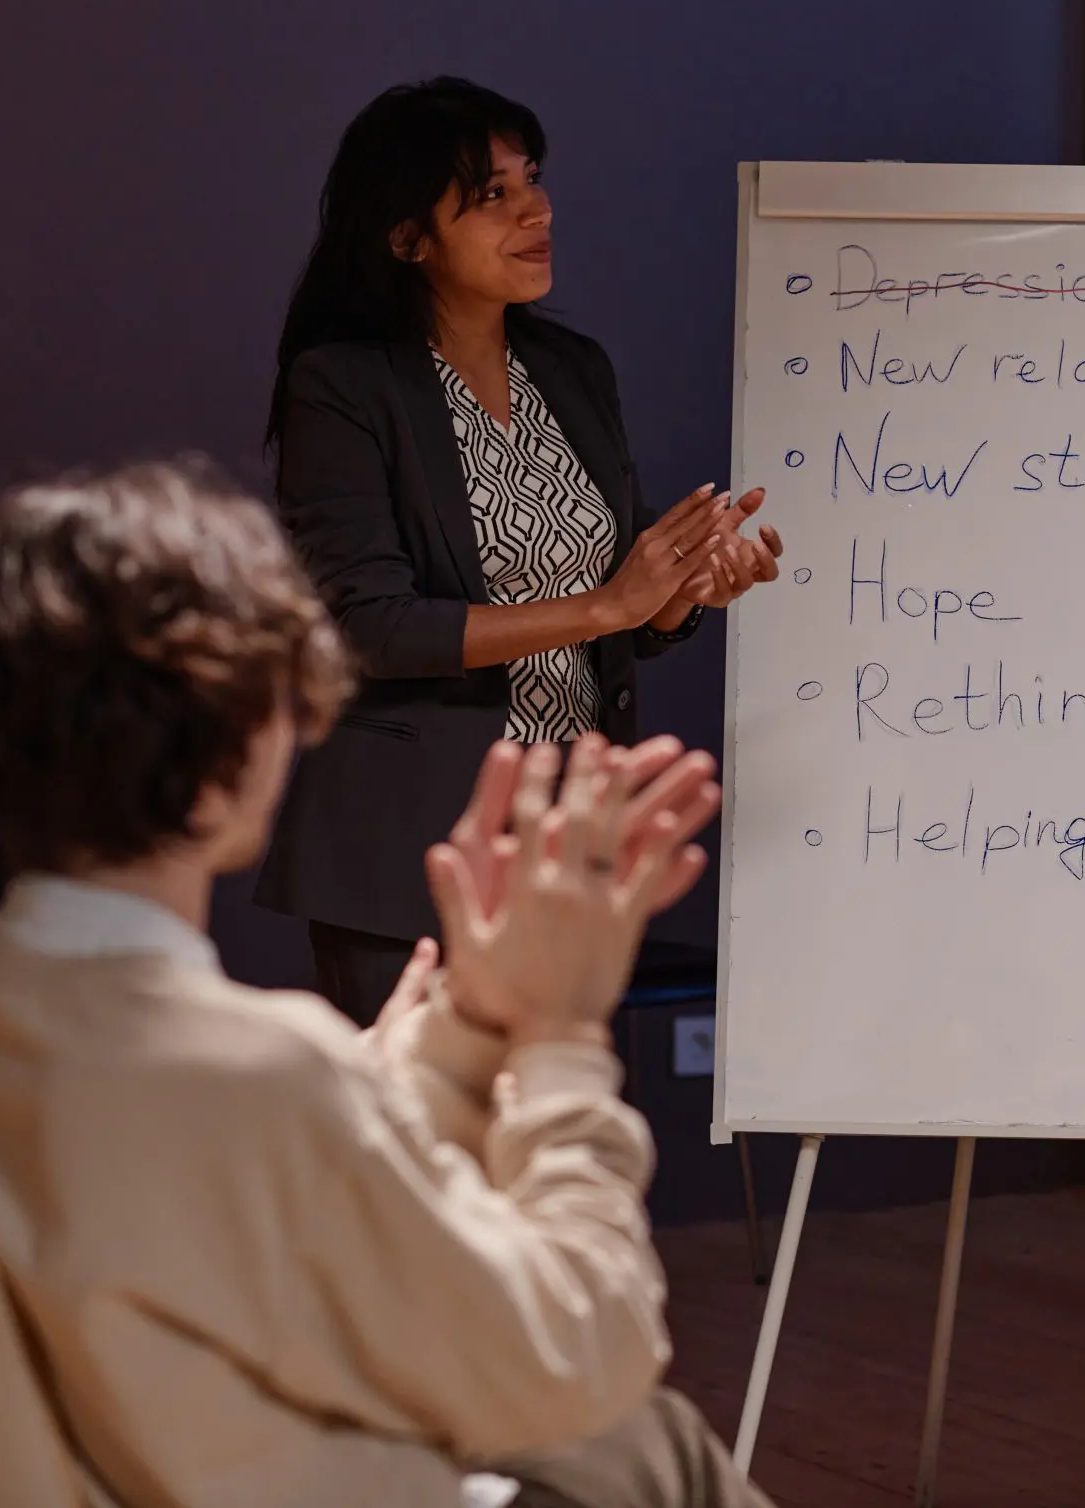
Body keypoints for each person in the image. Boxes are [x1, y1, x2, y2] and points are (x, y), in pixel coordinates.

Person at [0, 462, 770, 1508]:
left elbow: (257, 1177)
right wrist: (561, 1037)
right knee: (643, 1435)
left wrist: (471, 1023)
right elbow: (584, 1351)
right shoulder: (254, 1069)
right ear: (226, 753)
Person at [258, 77, 783, 1026]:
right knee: (427, 1155)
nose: (536, 207)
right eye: (492, 193)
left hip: (566, 841)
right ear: (407, 237)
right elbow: (365, 626)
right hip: (414, 848)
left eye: (531, 178)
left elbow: (621, 607)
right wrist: (609, 607)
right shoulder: (341, 386)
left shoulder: (572, 370)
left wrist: (682, 585)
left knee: (544, 1131)